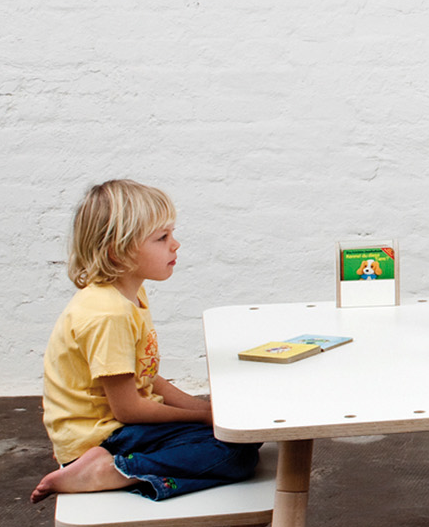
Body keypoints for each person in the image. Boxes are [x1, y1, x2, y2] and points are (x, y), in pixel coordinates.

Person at [29, 180, 260, 503]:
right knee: (236, 454)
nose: (175, 245)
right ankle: (110, 470)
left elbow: (145, 376)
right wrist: (202, 417)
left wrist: (208, 410)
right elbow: (129, 409)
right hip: (106, 437)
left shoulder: (130, 295)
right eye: (162, 238)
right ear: (118, 251)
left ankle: (120, 467)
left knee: (244, 433)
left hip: (121, 429)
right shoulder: (108, 315)